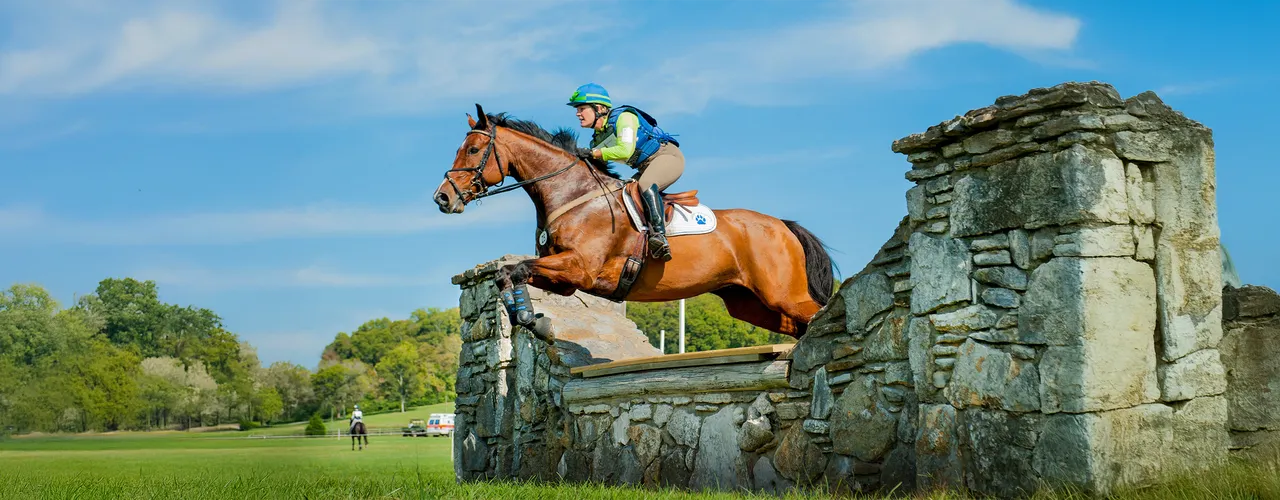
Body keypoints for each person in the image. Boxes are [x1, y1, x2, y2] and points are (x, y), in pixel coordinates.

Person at [567, 82, 683, 261]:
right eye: (577, 109)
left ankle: (659, 237)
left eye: (581, 108)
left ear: (599, 108)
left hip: (667, 157)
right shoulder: (596, 141)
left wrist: (594, 153)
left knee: (645, 185)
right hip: (645, 167)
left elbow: (625, 151)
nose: (577, 113)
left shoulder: (624, 117)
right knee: (621, 195)